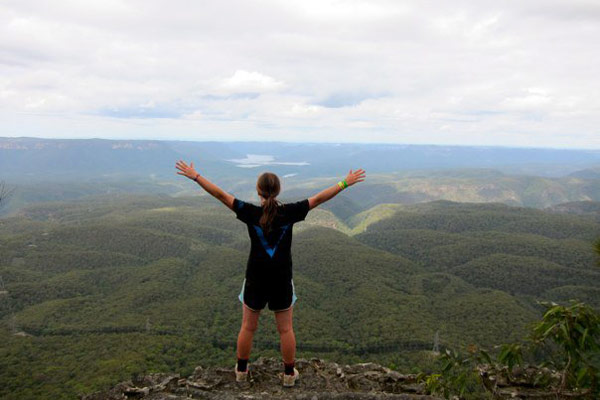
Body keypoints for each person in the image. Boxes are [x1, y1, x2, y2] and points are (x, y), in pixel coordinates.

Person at [175, 160, 366, 387]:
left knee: (248, 327)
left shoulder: (250, 213)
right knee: (285, 329)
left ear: (258, 192)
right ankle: (288, 375)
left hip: (255, 278)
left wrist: (196, 176)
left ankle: (242, 372)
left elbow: (220, 195)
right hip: (281, 279)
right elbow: (320, 198)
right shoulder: (289, 212)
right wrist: (345, 182)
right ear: (278, 191)